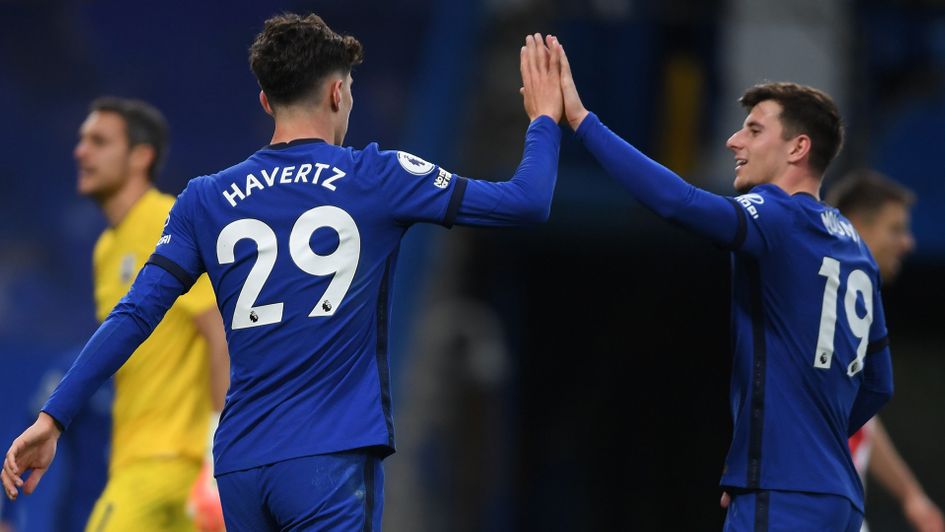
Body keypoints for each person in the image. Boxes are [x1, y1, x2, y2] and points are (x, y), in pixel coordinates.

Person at [3, 14, 563, 531]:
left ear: (266, 102)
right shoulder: (377, 175)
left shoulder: (205, 197)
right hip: (329, 458)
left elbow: (134, 313)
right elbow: (527, 202)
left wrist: (55, 418)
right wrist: (542, 120)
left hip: (242, 468)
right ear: (338, 92)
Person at [555, 42, 893, 530]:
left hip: (783, 496)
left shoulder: (777, 216)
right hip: (839, 498)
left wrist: (583, 122)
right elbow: (879, 384)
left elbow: (679, 203)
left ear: (798, 147)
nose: (735, 141)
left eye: (754, 130)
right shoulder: (855, 246)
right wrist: (806, 452)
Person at [71, 97, 229, 531]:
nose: (81, 151)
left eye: (99, 141)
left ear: (141, 156)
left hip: (175, 463)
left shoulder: (168, 221)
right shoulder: (107, 249)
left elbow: (219, 331)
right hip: (138, 459)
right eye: (82, 140)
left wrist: (219, 453)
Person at [828, 170, 944, 532]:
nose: (908, 242)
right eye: (895, 229)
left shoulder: (855, 302)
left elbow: (860, 417)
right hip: (810, 504)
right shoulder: (822, 299)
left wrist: (911, 495)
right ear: (858, 226)